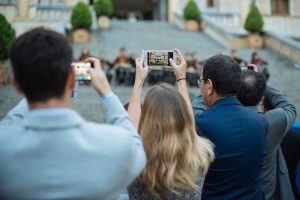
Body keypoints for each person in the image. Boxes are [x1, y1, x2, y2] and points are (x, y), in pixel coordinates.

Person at [0, 28, 146, 199]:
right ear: (72, 79)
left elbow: (10, 122)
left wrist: (38, 82)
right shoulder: (111, 146)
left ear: (16, 84)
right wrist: (106, 92)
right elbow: (134, 146)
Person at [127, 49, 214, 199]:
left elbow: (130, 127)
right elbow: (189, 125)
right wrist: (181, 78)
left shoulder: (137, 156)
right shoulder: (198, 154)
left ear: (147, 118)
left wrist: (139, 81)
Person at [192, 55, 268, 200]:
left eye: (201, 82)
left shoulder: (200, 123)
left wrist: (181, 81)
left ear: (209, 85)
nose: (200, 87)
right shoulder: (260, 122)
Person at [237, 67, 296, 200]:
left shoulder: (222, 122)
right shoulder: (274, 121)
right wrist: (261, 82)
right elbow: (289, 107)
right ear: (261, 98)